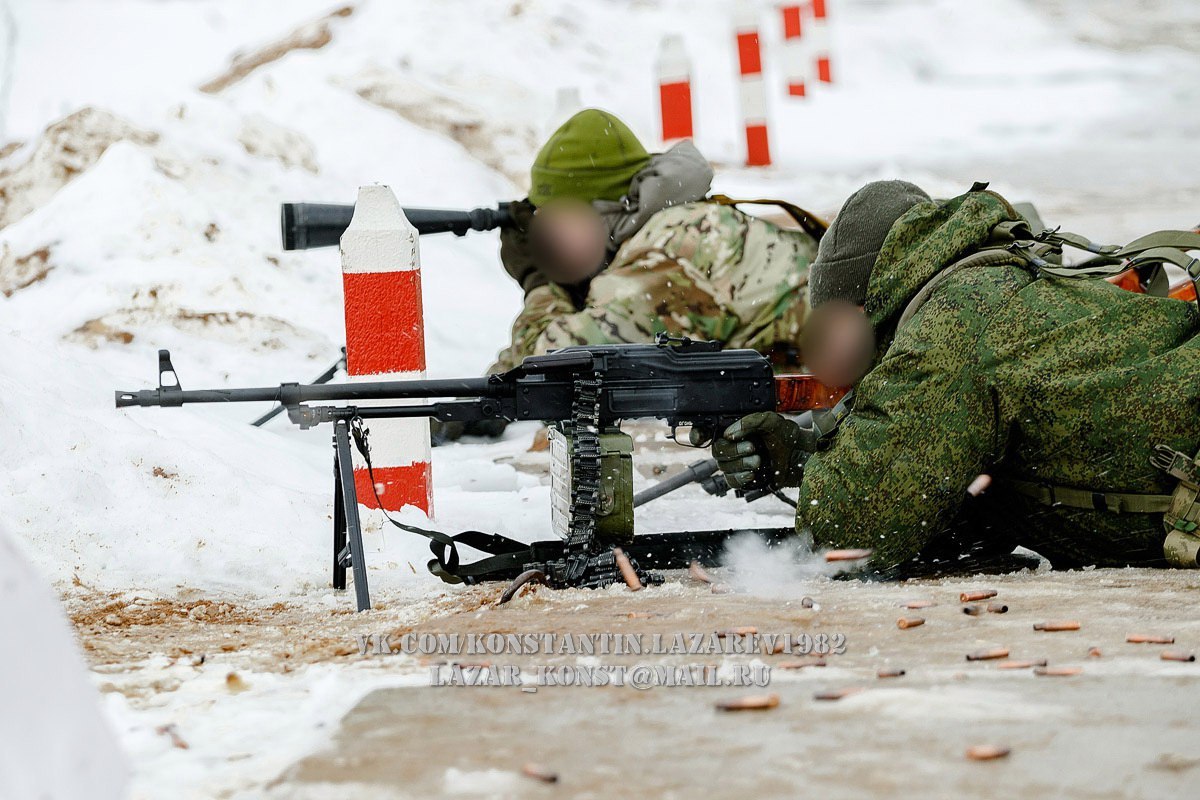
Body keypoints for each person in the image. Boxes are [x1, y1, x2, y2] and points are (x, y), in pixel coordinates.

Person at [710, 179, 1200, 575]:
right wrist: (807, 456)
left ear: (867, 305)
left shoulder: (953, 322)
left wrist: (812, 462)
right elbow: (944, 496)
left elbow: (852, 533)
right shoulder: (989, 284)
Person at [488, 108, 822, 374]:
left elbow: (555, 364)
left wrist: (538, 280)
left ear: (605, 212)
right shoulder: (665, 225)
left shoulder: (670, 250)